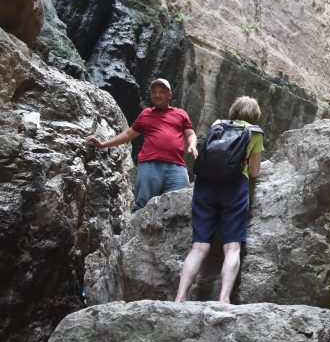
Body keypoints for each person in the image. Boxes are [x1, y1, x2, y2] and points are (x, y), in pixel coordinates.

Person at [174, 96, 264, 304]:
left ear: (233, 111)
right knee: (232, 247)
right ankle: (223, 299)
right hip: (234, 188)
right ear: (255, 116)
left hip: (205, 184)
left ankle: (180, 297)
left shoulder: (218, 125)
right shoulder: (255, 133)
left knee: (199, 246)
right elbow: (254, 171)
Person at [87, 78, 197, 211]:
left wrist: (192, 145)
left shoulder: (180, 114)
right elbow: (128, 134)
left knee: (179, 206)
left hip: (177, 166)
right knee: (142, 206)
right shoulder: (146, 114)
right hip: (150, 165)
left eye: (161, 92)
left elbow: (190, 134)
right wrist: (103, 144)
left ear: (170, 95)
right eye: (154, 92)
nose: (157, 95)